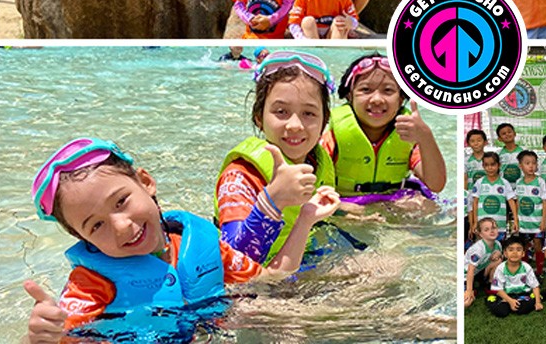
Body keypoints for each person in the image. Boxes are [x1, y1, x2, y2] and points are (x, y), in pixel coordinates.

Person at [25, 137, 337, 342]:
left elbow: (272, 276)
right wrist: (39, 337)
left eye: (121, 202)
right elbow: (65, 332)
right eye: (96, 226)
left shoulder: (201, 244)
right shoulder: (91, 282)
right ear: (83, 238)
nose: (120, 226)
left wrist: (306, 218)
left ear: (146, 182)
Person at [214, 51, 340, 266]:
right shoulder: (241, 176)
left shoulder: (316, 160)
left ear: (324, 121)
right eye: (281, 111)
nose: (295, 125)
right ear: (259, 118)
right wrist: (273, 199)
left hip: (302, 263)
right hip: (258, 286)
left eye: (309, 114)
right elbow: (236, 265)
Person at [323, 54, 447, 196]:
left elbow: (435, 185)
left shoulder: (408, 137)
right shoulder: (333, 139)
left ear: (401, 99)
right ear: (350, 96)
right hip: (346, 203)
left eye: (388, 90)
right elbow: (313, 190)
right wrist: (344, 209)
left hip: (391, 202)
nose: (377, 99)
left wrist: (425, 136)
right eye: (366, 90)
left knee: (427, 206)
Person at [488, 235, 543, 316]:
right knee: (501, 312)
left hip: (522, 295)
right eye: (511, 250)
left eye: (518, 250)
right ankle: (491, 300)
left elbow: (535, 286)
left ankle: (537, 297)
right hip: (505, 295)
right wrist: (510, 300)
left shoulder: (526, 267)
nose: (514, 253)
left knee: (522, 309)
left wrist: (538, 303)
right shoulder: (501, 268)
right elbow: (497, 289)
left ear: (523, 253)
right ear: (505, 253)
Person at [514, 150, 546, 274]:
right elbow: (517, 201)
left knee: (538, 244)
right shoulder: (519, 182)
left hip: (537, 222)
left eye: (534, 163)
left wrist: (544, 220)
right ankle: (526, 270)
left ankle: (539, 271)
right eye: (527, 163)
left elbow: (545, 201)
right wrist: (516, 220)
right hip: (524, 223)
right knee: (523, 246)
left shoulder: (540, 182)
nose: (531, 166)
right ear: (520, 166)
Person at [471, 152, 518, 237]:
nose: (490, 168)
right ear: (483, 166)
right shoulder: (479, 182)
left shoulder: (504, 183)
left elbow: (511, 202)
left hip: (499, 227)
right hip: (482, 227)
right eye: (486, 165)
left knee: (498, 249)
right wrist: (475, 222)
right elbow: (475, 202)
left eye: (493, 164)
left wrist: (516, 220)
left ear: (499, 165)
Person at [464, 217, 503, 308]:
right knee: (466, 303)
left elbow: (501, 258)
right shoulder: (478, 249)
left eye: (494, 228)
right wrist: (469, 291)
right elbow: (470, 270)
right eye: (486, 229)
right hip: (465, 276)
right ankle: (472, 288)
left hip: (479, 272)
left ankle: (490, 285)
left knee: (499, 260)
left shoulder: (497, 244)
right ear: (480, 234)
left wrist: (500, 254)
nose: (491, 231)